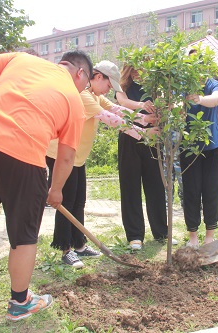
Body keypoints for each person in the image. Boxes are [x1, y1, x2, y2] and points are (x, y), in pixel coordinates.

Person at [0, 50, 92, 320]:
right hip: (24, 156)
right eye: (84, 85)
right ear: (79, 73)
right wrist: (56, 189)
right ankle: (20, 301)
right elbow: (67, 156)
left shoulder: (22, 59)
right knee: (24, 234)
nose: (81, 90)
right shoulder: (74, 99)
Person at [47, 60, 158, 267]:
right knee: (67, 202)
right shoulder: (83, 96)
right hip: (60, 155)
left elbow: (117, 110)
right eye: (108, 85)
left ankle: (79, 244)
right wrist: (144, 133)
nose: (108, 90)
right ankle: (65, 249)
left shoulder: (95, 95)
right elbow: (110, 119)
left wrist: (144, 119)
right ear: (98, 77)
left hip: (77, 156)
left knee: (79, 201)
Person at [115, 64, 174, 250]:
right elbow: (123, 103)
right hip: (129, 137)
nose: (138, 73)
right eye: (134, 69)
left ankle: (161, 232)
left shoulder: (156, 88)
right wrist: (142, 106)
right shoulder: (121, 88)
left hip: (153, 137)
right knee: (130, 186)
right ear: (128, 71)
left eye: (142, 68)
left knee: (156, 185)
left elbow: (168, 106)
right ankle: (135, 236)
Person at [181, 57, 218, 248]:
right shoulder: (181, 86)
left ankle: (209, 237)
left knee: (211, 191)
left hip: (213, 147)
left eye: (200, 64)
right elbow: (173, 104)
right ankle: (193, 237)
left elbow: (216, 99)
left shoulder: (214, 85)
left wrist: (199, 99)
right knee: (191, 191)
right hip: (188, 148)